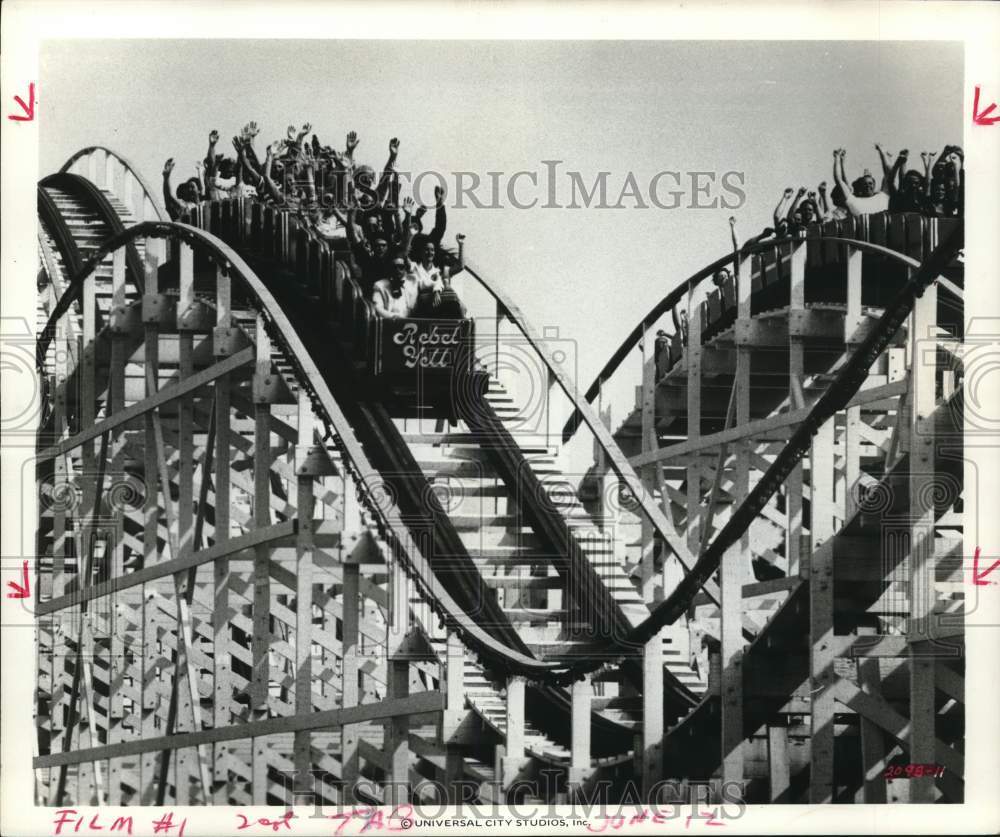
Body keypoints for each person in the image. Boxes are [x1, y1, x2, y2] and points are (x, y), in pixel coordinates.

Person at [408, 239, 465, 319]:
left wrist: (461, 245)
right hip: (420, 309)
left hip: (438, 310)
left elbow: (460, 266)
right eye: (426, 249)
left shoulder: (440, 270)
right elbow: (404, 256)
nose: (430, 253)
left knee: (452, 297)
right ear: (421, 252)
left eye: (432, 250)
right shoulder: (414, 268)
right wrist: (435, 291)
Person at [833, 149, 889, 217]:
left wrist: (882, 152)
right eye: (865, 184)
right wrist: (837, 158)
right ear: (860, 187)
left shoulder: (882, 197)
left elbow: (888, 173)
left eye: (870, 183)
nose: (868, 186)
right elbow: (839, 179)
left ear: (874, 185)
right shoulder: (854, 201)